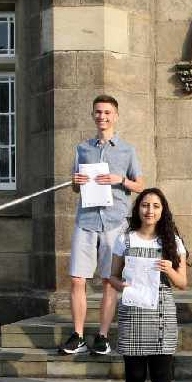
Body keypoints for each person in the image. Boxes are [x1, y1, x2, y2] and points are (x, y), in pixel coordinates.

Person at [60, 95, 144, 356]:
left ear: (115, 116)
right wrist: (75, 180)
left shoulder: (127, 150)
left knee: (109, 280)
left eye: (107, 112)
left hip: (114, 221)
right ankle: (78, 334)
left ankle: (103, 336)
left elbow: (140, 185)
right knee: (76, 279)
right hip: (86, 220)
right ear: (93, 115)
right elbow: (76, 186)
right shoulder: (82, 148)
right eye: (98, 112)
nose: (102, 116)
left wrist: (121, 180)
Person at [108, 188, 187, 382]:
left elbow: (183, 283)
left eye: (155, 206)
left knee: (162, 379)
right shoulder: (124, 240)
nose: (149, 210)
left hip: (161, 313)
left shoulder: (172, 241)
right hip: (133, 311)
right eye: (144, 205)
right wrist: (123, 285)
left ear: (162, 210)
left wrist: (170, 270)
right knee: (135, 378)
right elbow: (112, 277)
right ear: (137, 209)